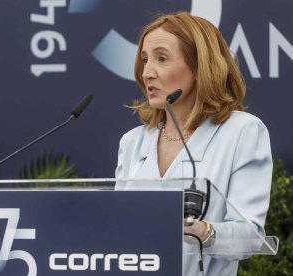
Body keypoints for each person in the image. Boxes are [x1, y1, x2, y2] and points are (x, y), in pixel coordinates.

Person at [115, 11, 273, 275]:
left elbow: (250, 235)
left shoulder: (242, 131)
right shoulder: (132, 142)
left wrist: (205, 232)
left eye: (161, 59)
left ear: (200, 67)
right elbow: (118, 229)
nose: (147, 73)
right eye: (144, 60)